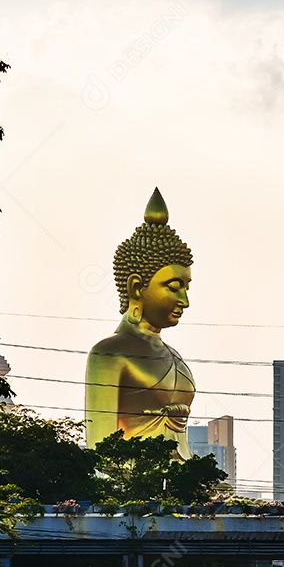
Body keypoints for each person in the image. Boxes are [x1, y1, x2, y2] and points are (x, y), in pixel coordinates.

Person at [85, 188, 196, 456]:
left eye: (186, 288)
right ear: (136, 288)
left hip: (182, 484)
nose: (184, 300)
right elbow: (99, 450)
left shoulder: (175, 357)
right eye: (173, 287)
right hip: (134, 487)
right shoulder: (109, 353)